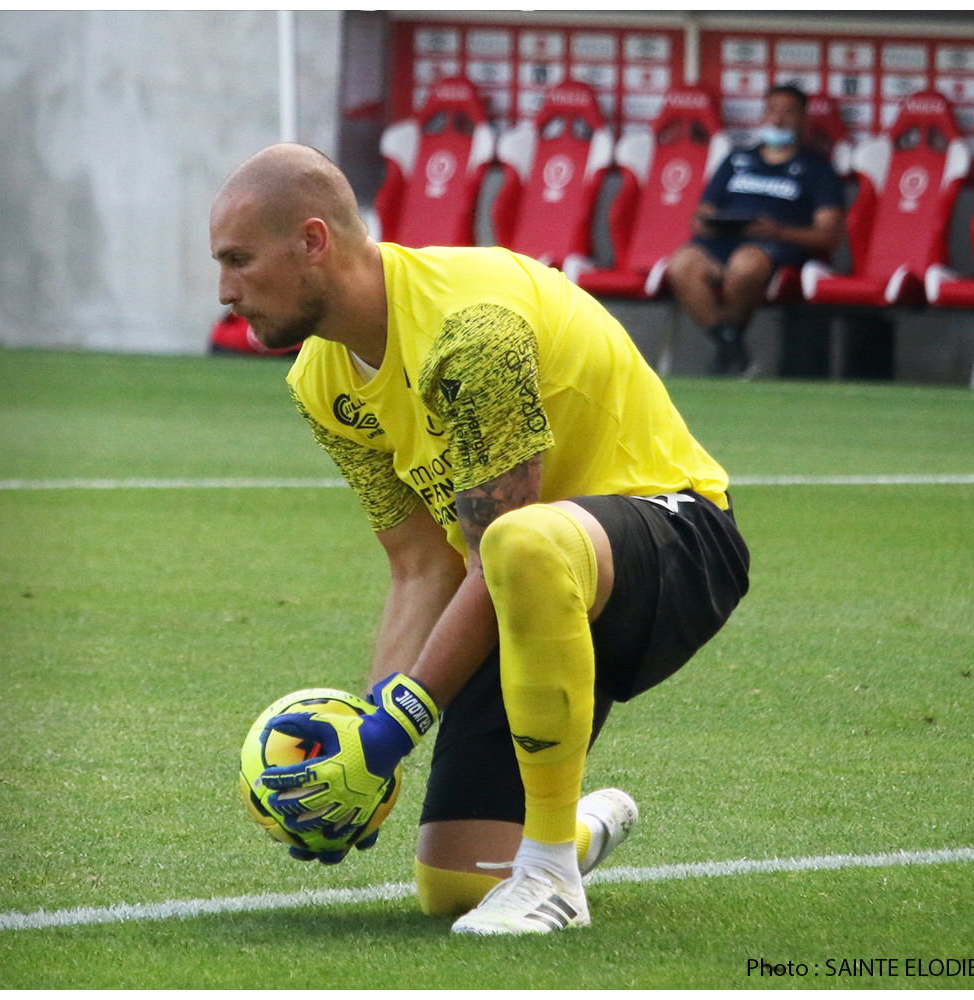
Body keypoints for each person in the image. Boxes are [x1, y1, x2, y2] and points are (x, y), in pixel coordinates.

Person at [209, 143, 750, 935]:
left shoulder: (473, 331)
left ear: (313, 241)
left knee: (520, 544)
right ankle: (574, 832)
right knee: (455, 885)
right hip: (529, 590)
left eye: (239, 260)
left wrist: (398, 725)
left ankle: (552, 876)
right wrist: (368, 743)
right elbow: (422, 566)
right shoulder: (319, 381)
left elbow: (501, 546)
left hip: (676, 539)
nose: (225, 291)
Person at [665, 84, 845, 376]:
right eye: (771, 110)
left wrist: (778, 232)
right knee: (681, 264)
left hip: (774, 246)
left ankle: (729, 352)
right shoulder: (736, 160)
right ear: (762, 115)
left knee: (744, 265)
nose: (778, 119)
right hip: (720, 241)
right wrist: (706, 224)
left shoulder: (818, 169)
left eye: (788, 112)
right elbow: (701, 213)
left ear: (803, 119)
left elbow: (828, 235)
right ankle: (731, 346)